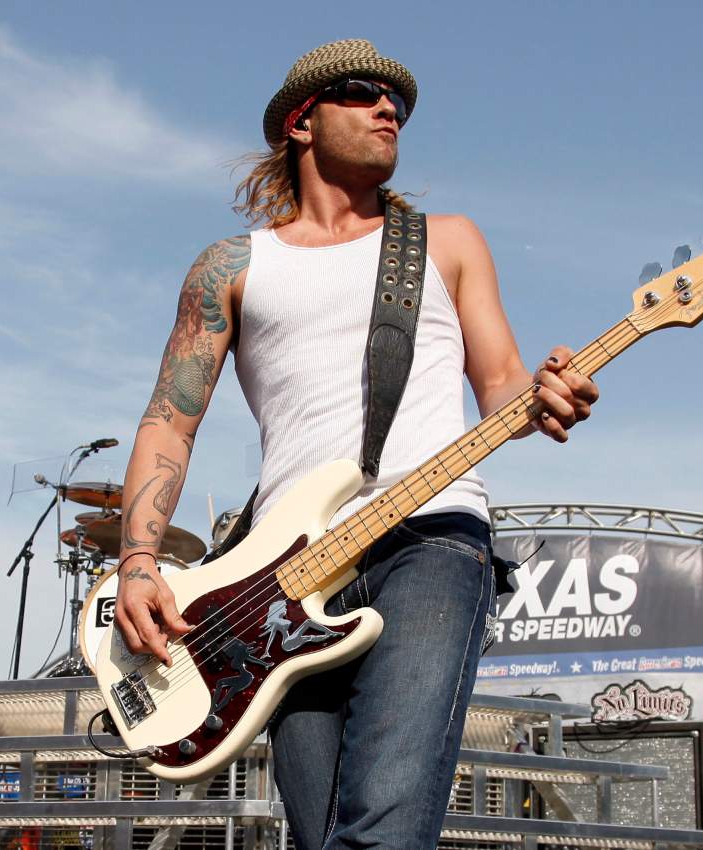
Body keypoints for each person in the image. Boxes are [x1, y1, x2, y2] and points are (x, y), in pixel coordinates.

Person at [112, 38, 598, 850]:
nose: (390, 111)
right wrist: (137, 563)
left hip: (432, 536)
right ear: (301, 121)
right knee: (321, 833)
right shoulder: (231, 266)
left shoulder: (448, 242)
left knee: (384, 826)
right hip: (281, 573)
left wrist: (548, 394)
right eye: (367, 94)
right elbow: (170, 417)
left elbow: (504, 385)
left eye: (400, 106)